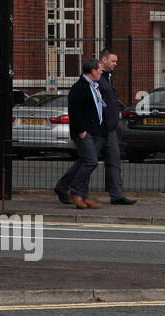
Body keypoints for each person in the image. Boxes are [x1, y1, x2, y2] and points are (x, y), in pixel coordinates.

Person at [53, 57, 105, 209]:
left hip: (94, 131)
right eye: (100, 69)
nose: (102, 72)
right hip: (83, 132)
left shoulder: (94, 86)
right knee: (91, 162)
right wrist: (82, 131)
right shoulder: (79, 87)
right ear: (93, 71)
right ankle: (75, 192)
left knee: (83, 162)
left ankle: (77, 193)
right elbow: (75, 112)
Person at [97, 48, 137, 205]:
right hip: (99, 129)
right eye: (113, 61)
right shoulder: (96, 77)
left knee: (114, 160)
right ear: (104, 60)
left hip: (110, 128)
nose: (115, 64)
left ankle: (117, 194)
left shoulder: (108, 76)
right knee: (87, 162)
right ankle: (67, 187)